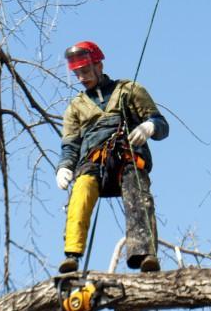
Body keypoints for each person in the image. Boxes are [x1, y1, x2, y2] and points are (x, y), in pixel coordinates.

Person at [56, 41, 169, 273]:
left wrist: (149, 126)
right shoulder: (76, 106)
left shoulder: (128, 90)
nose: (81, 78)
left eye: (85, 71)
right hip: (93, 161)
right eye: (77, 74)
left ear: (98, 66)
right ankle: (72, 255)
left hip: (126, 156)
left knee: (136, 187)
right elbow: (70, 144)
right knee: (82, 189)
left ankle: (144, 253)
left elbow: (161, 124)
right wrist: (64, 166)